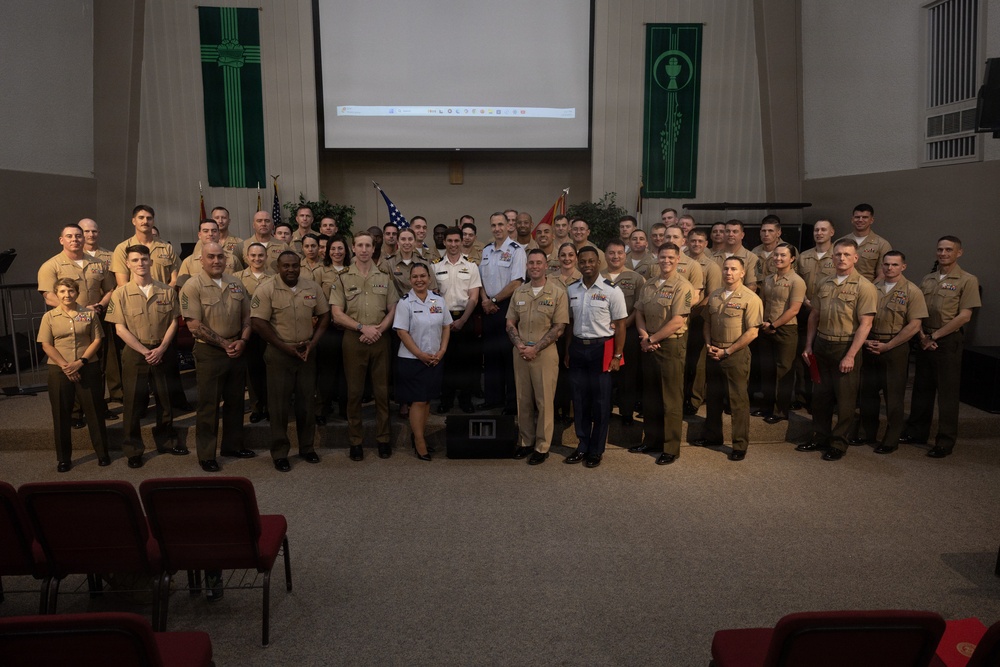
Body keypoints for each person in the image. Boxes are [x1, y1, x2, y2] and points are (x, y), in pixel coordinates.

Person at [105, 245, 186, 468]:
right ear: (128, 264)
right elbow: (120, 329)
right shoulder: (120, 294)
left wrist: (160, 349)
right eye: (135, 260)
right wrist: (144, 351)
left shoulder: (167, 291)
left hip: (162, 350)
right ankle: (133, 449)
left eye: (144, 259)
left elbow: (173, 322)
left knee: (165, 399)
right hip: (135, 353)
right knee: (132, 402)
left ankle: (166, 441)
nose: (140, 263)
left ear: (150, 262)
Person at [796, 240, 877, 461]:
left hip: (845, 346)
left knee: (845, 399)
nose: (841, 258)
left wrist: (851, 355)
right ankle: (819, 436)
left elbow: (866, 324)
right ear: (832, 257)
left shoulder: (864, 286)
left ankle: (839, 443)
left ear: (855, 258)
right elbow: (814, 315)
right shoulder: (825, 283)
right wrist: (809, 345)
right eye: (838, 254)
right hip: (822, 345)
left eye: (846, 255)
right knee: (820, 396)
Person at [900, 236, 981, 457]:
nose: (943, 253)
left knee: (947, 394)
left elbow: (964, 316)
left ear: (959, 253)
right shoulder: (928, 279)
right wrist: (923, 335)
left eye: (948, 250)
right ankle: (916, 431)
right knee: (921, 390)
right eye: (940, 249)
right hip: (925, 337)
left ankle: (945, 441)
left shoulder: (967, 280)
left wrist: (934, 336)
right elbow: (916, 309)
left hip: (947, 340)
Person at [180, 242, 256, 472]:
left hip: (236, 348)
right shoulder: (192, 286)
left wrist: (242, 340)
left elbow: (248, 315)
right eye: (211, 257)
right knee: (208, 405)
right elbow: (194, 325)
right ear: (201, 260)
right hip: (210, 352)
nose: (216, 261)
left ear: (226, 259)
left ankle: (232, 446)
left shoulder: (236, 283)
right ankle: (206, 454)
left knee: (235, 402)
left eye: (220, 257)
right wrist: (225, 344)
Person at [250, 251, 330, 471]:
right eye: (286, 266)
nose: (291, 270)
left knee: (307, 403)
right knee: (278, 406)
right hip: (279, 354)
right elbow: (257, 322)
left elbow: (324, 315)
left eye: (295, 265)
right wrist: (283, 347)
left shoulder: (311, 287)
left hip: (306, 352)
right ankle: (279, 452)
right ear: (278, 266)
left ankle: (307, 448)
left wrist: (312, 344)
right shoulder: (266, 289)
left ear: (300, 266)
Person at [37, 223, 117, 426]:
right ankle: (75, 413)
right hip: (66, 322)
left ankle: (98, 407)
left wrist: (98, 306)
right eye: (70, 236)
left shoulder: (98, 263)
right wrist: (80, 310)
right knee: (71, 363)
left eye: (78, 236)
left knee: (95, 365)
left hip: (95, 319)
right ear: (61, 240)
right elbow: (48, 296)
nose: (75, 240)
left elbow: (109, 290)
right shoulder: (51, 265)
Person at [330, 232, 400, 460]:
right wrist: (362, 328)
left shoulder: (384, 276)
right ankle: (356, 441)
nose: (363, 249)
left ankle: (383, 439)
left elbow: (393, 309)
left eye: (367, 245)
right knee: (355, 393)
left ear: (373, 248)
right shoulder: (342, 278)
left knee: (382, 392)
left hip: (380, 338)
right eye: (359, 245)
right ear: (353, 247)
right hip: (354, 339)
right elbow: (337, 314)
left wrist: (378, 330)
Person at [693, 257, 763, 461]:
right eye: (726, 268)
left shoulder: (751, 298)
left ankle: (739, 445)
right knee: (713, 398)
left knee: (738, 401)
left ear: (742, 273)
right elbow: (707, 322)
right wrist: (708, 345)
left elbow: (752, 333)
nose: (728, 272)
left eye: (734, 269)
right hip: (714, 351)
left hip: (736, 354)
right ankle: (712, 436)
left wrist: (728, 351)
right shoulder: (714, 296)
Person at [37, 278, 110, 472]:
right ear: (56, 294)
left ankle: (102, 453)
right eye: (62, 291)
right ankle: (63, 458)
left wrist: (81, 362)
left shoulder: (89, 314)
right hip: (59, 371)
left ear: (77, 293)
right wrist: (66, 366)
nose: (66, 295)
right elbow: (46, 345)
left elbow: (97, 339)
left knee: (94, 411)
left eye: (70, 291)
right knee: (61, 415)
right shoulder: (49, 317)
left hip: (88, 367)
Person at [858, 251, 927, 453]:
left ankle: (891, 439)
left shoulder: (912, 291)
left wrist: (889, 345)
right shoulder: (872, 288)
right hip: (871, 343)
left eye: (894, 265)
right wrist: (867, 340)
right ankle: (867, 432)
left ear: (903, 267)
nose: (889, 268)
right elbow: (862, 316)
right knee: (868, 393)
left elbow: (914, 325)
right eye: (886, 264)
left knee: (893, 395)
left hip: (895, 346)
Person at [564, 246, 626, 468]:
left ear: (598, 262)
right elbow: (570, 324)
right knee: (579, 399)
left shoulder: (612, 291)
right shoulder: (571, 290)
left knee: (600, 401)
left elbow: (620, 326)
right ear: (578, 264)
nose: (587, 265)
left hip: (602, 349)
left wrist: (617, 355)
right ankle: (582, 445)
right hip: (579, 349)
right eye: (583, 262)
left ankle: (596, 450)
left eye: (591, 261)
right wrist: (568, 351)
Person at [631, 243, 693, 465]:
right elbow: (639, 313)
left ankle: (670, 447)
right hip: (649, 344)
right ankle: (652, 440)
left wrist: (652, 339)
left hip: (670, 346)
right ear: (657, 257)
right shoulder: (648, 285)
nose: (666, 261)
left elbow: (678, 321)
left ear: (678, 259)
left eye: (671, 257)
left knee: (671, 399)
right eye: (662, 257)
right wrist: (644, 337)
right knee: (651, 398)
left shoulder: (682, 286)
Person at [507, 249, 569, 465]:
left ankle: (542, 447)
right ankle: (525, 442)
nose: (534, 266)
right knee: (523, 399)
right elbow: (510, 323)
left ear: (546, 266)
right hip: (521, 352)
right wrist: (521, 345)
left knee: (544, 402)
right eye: (531, 263)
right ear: (527, 266)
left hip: (544, 353)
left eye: (538, 263)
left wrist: (535, 348)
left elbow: (559, 327)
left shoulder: (557, 292)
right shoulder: (520, 292)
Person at [393, 263, 451, 460]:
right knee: (418, 401)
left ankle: (418, 435)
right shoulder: (405, 303)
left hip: (434, 359)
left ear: (429, 278)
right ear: (410, 280)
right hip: (412, 360)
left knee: (426, 401)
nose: (419, 280)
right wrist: (420, 354)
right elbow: (402, 332)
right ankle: (419, 442)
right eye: (415, 276)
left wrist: (442, 351)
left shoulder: (438, 301)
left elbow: (446, 326)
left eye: (423, 276)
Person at [478, 212, 526, 413]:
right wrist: (484, 301)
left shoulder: (517, 251)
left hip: (507, 307)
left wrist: (494, 300)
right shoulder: (487, 250)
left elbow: (517, 282)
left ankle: (511, 402)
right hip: (488, 307)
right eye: (493, 225)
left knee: (508, 357)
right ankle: (492, 398)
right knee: (490, 357)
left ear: (509, 226)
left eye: (500, 224)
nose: (497, 228)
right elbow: (479, 280)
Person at [756, 243, 806, 424]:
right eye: (776, 255)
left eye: (783, 255)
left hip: (785, 329)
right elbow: (762, 303)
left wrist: (774, 325)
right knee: (767, 369)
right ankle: (766, 406)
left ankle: (780, 411)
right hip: (766, 327)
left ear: (792, 259)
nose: (778, 258)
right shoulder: (769, 279)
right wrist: (763, 323)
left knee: (783, 371)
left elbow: (794, 310)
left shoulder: (796, 281)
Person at [434, 227, 482, 414]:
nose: (453, 245)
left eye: (456, 241)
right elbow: (433, 295)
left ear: (462, 242)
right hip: (442, 320)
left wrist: (462, 320)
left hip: (465, 317)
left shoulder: (471, 266)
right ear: (444, 242)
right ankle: (446, 399)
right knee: (446, 362)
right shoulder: (435, 266)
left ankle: (465, 400)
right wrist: (445, 320)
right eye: (450, 241)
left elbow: (474, 297)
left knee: (467, 363)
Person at [79, 217, 123, 406]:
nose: (91, 234)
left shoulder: (110, 255)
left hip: (105, 309)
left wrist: (101, 305)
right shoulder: (74, 255)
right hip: (80, 313)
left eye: (94, 231)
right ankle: (88, 397)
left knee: (111, 354)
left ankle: (117, 392)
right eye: (86, 231)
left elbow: (113, 286)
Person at [602, 239, 646, 426]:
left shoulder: (636, 278)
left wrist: (623, 325)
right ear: (605, 255)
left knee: (628, 376)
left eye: (620, 253)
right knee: (605, 376)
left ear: (624, 255)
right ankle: (605, 410)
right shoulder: (597, 276)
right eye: (611, 253)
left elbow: (638, 307)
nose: (616, 256)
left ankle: (627, 412)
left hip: (627, 333)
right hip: (603, 335)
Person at [683, 228, 722, 415]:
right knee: (682, 359)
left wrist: (692, 309)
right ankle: (681, 396)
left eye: (700, 241)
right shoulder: (679, 260)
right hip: (679, 318)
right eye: (693, 241)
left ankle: (694, 399)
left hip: (699, 316)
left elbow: (712, 294)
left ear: (706, 243)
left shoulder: (712, 266)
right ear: (687, 242)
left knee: (697, 361)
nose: (696, 244)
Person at [314, 235, 352, 423]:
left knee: (347, 370)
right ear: (328, 251)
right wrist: (332, 317)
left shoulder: (353, 271)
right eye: (333, 249)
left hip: (349, 327)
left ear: (346, 250)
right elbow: (316, 298)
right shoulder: (320, 271)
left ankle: (346, 409)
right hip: (327, 326)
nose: (337, 252)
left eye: (340, 248)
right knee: (327, 371)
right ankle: (322, 409)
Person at [237, 242, 274, 424]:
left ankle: (270, 406)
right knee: (252, 371)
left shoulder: (275, 278)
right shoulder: (236, 278)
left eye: (261, 255)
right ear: (246, 257)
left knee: (270, 369)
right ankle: (256, 407)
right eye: (253, 255)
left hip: (269, 330)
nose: (257, 259)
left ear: (266, 257)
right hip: (248, 331)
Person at [111, 205, 179, 286]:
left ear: (153, 221)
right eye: (141, 218)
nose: (145, 221)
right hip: (134, 297)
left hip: (162, 297)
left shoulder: (167, 247)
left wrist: (165, 295)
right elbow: (122, 283)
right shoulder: (123, 248)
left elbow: (175, 280)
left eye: (149, 218)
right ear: (133, 221)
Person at [178, 219, 243, 286]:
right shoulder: (188, 262)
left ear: (219, 234)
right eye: (206, 231)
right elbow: (182, 289)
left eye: (214, 231)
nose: (210, 234)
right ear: (199, 235)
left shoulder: (233, 259)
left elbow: (240, 283)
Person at [841, 203, 891, 282]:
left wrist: (869, 290)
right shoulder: (841, 243)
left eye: (865, 217)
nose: (860, 220)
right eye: (857, 217)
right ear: (852, 219)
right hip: (843, 289)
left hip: (869, 289)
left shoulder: (882, 244)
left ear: (871, 220)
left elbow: (883, 274)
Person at [380, 228, 437, 296]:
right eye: (403, 239)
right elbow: (384, 290)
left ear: (415, 241)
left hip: (421, 303)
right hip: (397, 304)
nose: (407, 243)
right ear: (398, 242)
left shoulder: (424, 263)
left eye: (410, 239)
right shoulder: (388, 263)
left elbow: (433, 289)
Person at [713, 219, 759, 292]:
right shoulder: (712, 257)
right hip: (715, 300)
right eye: (727, 231)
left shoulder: (751, 258)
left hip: (739, 301)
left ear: (742, 235)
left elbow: (751, 286)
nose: (731, 234)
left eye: (735, 232)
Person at [797, 219, 836, 301]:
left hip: (829, 305)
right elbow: (796, 282)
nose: (819, 233)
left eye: (823, 230)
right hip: (804, 305)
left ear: (832, 233)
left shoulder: (838, 256)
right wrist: (804, 300)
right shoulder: (803, 256)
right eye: (816, 230)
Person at [751, 215, 782, 288]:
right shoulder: (754, 252)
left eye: (770, 231)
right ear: (760, 233)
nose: (766, 234)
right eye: (763, 231)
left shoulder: (788, 250)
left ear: (778, 233)